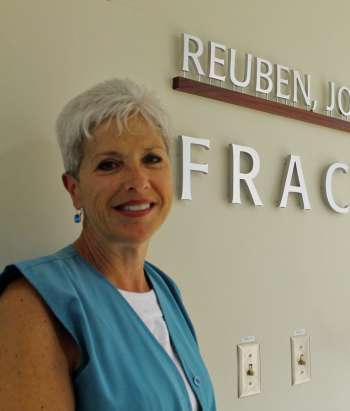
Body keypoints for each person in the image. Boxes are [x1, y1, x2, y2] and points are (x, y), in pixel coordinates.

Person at [0, 79, 216, 411]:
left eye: (152, 159)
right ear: (74, 189)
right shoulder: (33, 303)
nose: (137, 181)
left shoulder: (165, 289)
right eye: (109, 164)